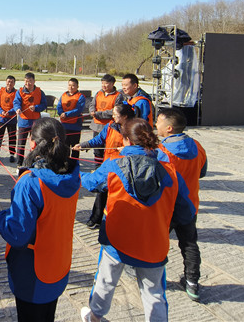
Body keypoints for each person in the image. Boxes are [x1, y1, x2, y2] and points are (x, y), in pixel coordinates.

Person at [79, 118, 194, 322]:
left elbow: (90, 183)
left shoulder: (113, 165)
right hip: (154, 244)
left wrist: (74, 172)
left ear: (126, 140)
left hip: (117, 241)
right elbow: (186, 213)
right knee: (154, 293)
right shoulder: (171, 173)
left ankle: (95, 316)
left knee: (105, 281)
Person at [0, 118, 80, 322]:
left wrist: (1, 218)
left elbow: (18, 235)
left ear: (32, 144)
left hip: (32, 271)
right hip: (58, 264)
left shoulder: (31, 183)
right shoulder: (72, 173)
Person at [156, 107, 208, 302]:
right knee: (189, 244)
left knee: (159, 242)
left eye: (159, 121)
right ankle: (193, 282)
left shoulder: (162, 151)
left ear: (169, 128)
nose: (156, 124)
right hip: (189, 204)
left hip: (166, 207)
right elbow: (202, 172)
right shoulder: (197, 145)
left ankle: (153, 278)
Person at [73, 104, 135, 229]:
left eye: (115, 114)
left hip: (125, 169)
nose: (112, 116)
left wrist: (129, 149)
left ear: (125, 116)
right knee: (101, 191)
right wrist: (84, 145)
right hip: (108, 165)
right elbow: (98, 140)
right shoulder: (110, 126)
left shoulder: (135, 130)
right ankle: (96, 218)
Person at [13, 72, 47, 172]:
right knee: (21, 144)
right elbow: (16, 102)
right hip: (23, 122)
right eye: (26, 81)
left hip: (36, 122)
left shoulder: (40, 92)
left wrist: (36, 107)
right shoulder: (19, 92)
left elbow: (44, 104)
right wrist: (17, 109)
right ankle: (19, 163)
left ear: (34, 81)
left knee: (36, 144)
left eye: (30, 81)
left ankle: (35, 162)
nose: (28, 83)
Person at [88, 75, 123, 162]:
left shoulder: (118, 96)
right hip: (96, 125)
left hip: (109, 126)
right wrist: (92, 111)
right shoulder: (98, 93)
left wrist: (99, 114)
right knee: (97, 149)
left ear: (112, 84)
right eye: (102, 83)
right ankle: (97, 167)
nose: (104, 85)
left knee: (109, 148)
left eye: (106, 83)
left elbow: (115, 110)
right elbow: (92, 104)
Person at [57, 77, 86, 163]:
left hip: (75, 126)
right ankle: (65, 162)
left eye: (73, 86)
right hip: (64, 125)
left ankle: (74, 163)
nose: (71, 87)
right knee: (65, 145)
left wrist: (66, 114)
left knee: (75, 146)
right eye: (69, 85)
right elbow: (59, 106)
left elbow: (79, 109)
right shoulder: (63, 95)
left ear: (77, 86)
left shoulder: (80, 97)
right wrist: (61, 113)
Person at [0, 75, 18, 163]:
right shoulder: (0, 91)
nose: (10, 83)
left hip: (12, 118)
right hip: (1, 118)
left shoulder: (17, 93)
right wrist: (2, 111)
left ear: (14, 83)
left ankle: (12, 154)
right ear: (6, 82)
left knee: (12, 137)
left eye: (12, 82)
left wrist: (10, 112)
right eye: (8, 81)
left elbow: (18, 104)